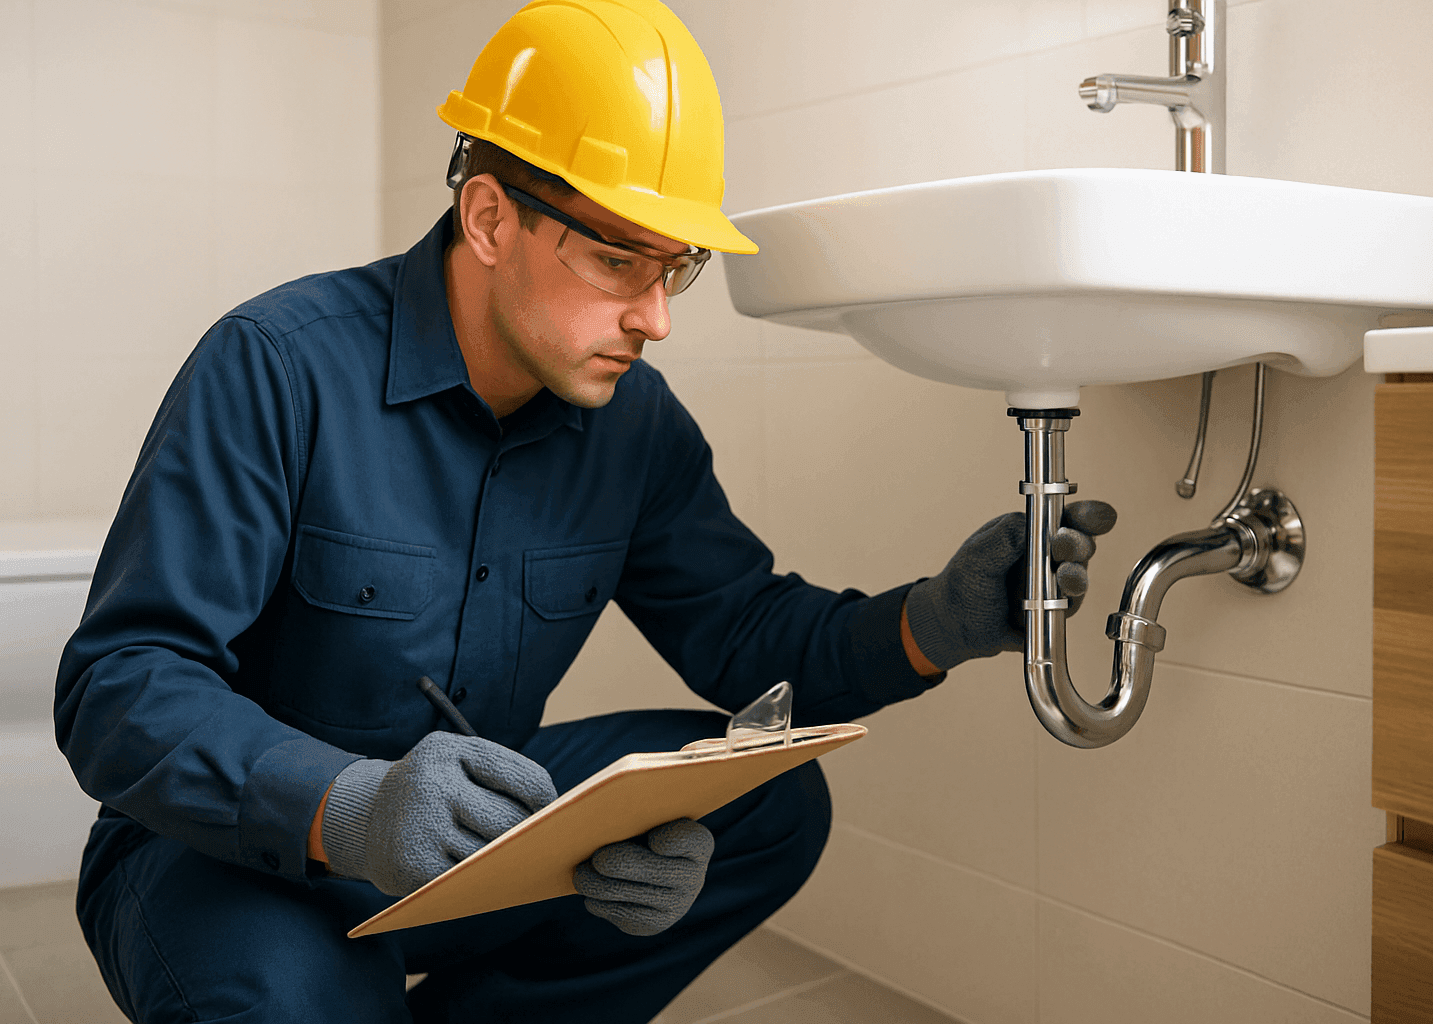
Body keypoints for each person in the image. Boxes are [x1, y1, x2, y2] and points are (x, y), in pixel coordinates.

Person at [55, 1, 1115, 1021]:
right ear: (488, 220)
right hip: (229, 851)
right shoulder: (279, 366)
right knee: (296, 998)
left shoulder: (633, 424)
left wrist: (933, 620)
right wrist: (350, 807)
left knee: (768, 802)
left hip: (466, 845)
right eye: (618, 260)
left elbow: (746, 634)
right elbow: (119, 683)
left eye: (675, 267)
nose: (654, 318)